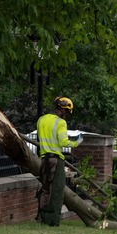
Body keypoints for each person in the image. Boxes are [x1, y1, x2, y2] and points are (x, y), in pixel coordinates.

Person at [36, 96, 81, 226]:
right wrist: (76, 142)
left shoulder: (41, 120)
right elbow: (63, 142)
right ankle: (53, 221)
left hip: (44, 159)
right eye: (66, 112)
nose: (66, 115)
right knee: (56, 190)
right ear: (62, 110)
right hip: (56, 160)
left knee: (45, 189)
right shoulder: (61, 123)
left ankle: (43, 218)